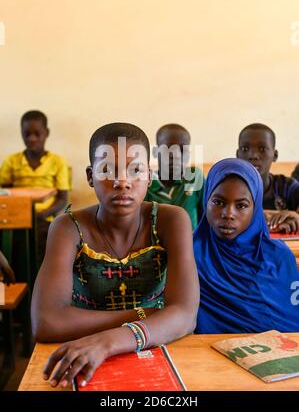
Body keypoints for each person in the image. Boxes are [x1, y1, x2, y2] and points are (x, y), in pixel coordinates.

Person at [31, 122, 199, 388]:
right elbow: (46, 322)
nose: (122, 182)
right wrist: (146, 314)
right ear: (90, 176)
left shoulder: (171, 220)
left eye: (135, 170)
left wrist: (108, 341)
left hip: (152, 352)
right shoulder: (67, 227)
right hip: (82, 356)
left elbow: (186, 316)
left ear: (149, 176)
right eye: (107, 169)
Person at [194, 158, 299, 334]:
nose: (228, 214)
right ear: (206, 201)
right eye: (218, 202)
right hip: (206, 355)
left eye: (241, 205)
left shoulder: (279, 255)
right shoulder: (189, 253)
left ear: (256, 208)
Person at [0, 110, 70, 262]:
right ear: (21, 133)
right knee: (9, 243)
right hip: (15, 217)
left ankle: (37, 280)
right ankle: (14, 279)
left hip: (45, 217)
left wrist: (40, 215)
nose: (32, 139)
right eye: (27, 134)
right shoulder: (11, 161)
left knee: (43, 241)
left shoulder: (57, 162)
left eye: (37, 134)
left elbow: (62, 199)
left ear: (46, 133)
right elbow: (4, 195)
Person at [236, 123, 299, 234]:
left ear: (275, 155)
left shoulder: (287, 187)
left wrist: (296, 216)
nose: (253, 155)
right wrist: (271, 216)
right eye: (245, 148)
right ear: (237, 154)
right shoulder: (228, 188)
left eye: (262, 149)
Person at [145, 123, 204, 230]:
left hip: (191, 245)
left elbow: (205, 218)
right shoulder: (146, 185)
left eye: (182, 151)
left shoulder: (194, 178)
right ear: (155, 152)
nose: (176, 156)